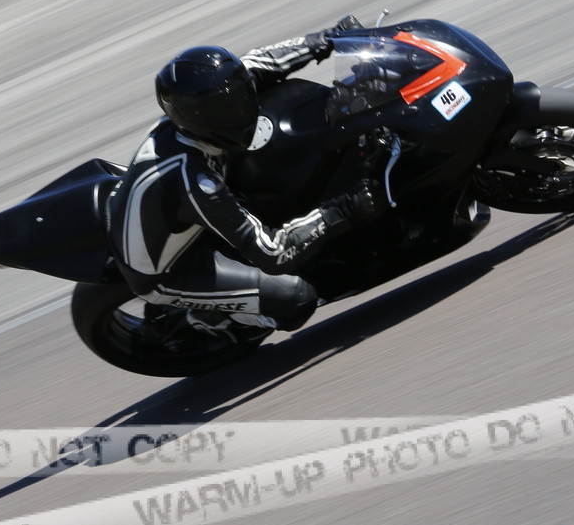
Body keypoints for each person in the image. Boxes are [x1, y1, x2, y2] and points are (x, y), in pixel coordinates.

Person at [106, 24, 385, 338]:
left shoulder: (200, 111)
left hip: (171, 215)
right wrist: (342, 210)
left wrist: (328, 38)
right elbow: (272, 253)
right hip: (170, 271)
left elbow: (262, 60)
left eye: (240, 96)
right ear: (199, 119)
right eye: (227, 110)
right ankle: (209, 318)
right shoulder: (197, 182)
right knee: (297, 298)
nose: (242, 110)